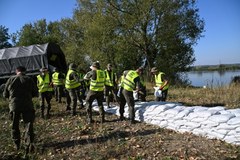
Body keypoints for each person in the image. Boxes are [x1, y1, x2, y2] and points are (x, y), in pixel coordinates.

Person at [3, 66, 38, 155]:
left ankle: (17, 145)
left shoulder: (10, 79)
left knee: (15, 126)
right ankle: (28, 145)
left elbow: (5, 94)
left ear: (16, 71)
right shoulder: (29, 79)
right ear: (25, 71)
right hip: (27, 105)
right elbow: (35, 93)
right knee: (28, 125)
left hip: (14, 106)